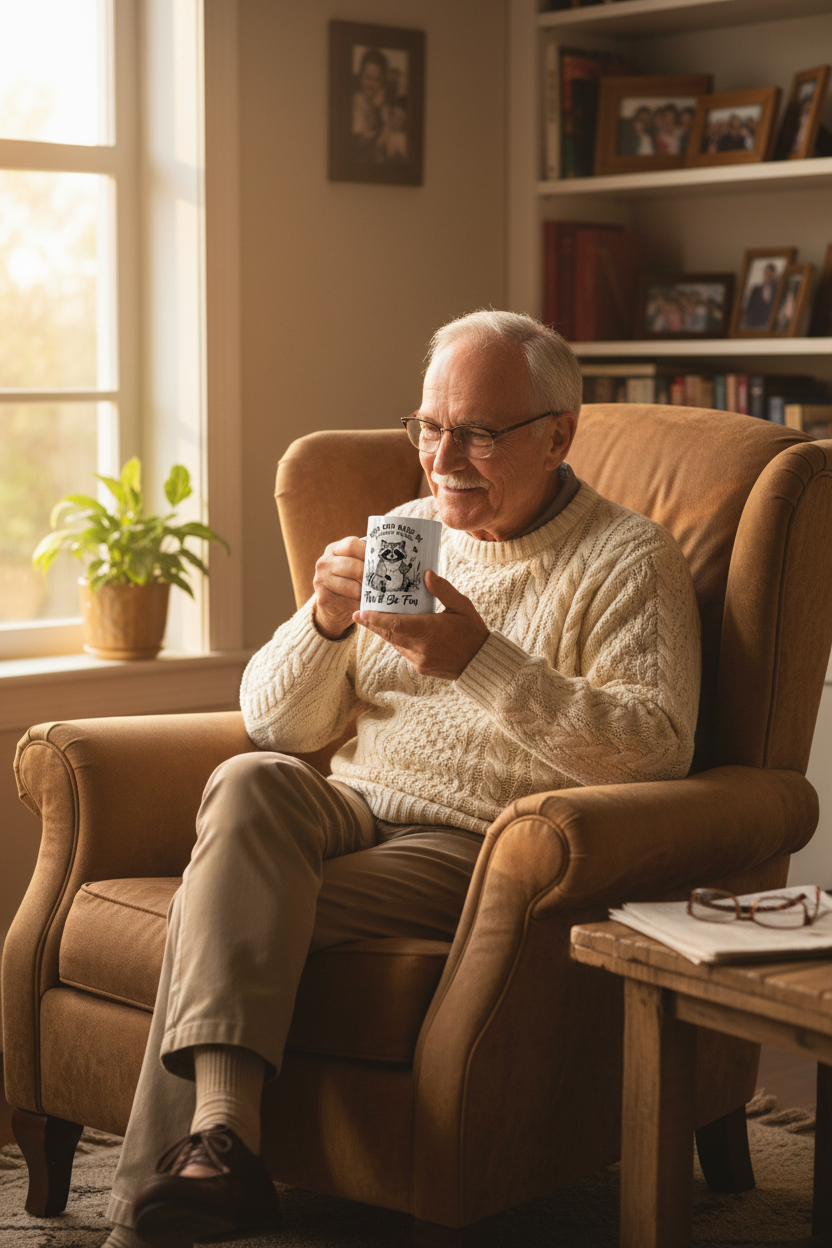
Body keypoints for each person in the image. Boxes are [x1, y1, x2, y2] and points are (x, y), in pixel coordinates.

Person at [103, 310, 701, 1248]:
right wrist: (324, 624)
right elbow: (277, 721)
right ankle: (223, 1148)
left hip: (479, 844)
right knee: (251, 778)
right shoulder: (407, 532)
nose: (443, 456)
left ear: (558, 436)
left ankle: (181, 1184)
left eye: (477, 432)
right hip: (346, 808)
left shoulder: (628, 559)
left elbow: (653, 747)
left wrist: (477, 658)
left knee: (213, 909)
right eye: (429, 426)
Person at [742, 262, 780, 330]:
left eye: (771, 273)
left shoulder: (778, 290)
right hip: (755, 323)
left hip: (769, 324)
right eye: (767, 272)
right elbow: (749, 307)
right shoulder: (756, 290)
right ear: (765, 273)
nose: (769, 275)